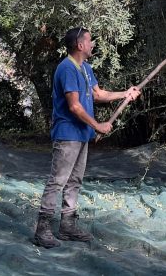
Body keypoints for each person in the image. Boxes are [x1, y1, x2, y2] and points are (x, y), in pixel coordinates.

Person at [32, 26, 140, 248]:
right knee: (58, 180)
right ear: (80, 45)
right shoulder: (66, 69)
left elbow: (98, 94)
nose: (93, 44)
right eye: (90, 41)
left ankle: (67, 226)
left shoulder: (86, 68)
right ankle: (42, 230)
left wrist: (125, 94)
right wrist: (98, 125)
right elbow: (74, 106)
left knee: (75, 181)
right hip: (67, 135)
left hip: (81, 134)